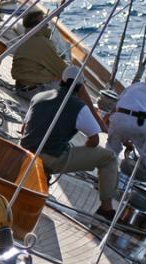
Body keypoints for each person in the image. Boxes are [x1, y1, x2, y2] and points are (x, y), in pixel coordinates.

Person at [20, 66, 119, 219]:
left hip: (25, 153)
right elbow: (94, 140)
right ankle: (106, 209)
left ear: (61, 80)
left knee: (47, 145)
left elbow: (24, 128)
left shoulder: (39, 96)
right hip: (52, 158)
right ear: (81, 87)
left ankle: (41, 176)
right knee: (109, 158)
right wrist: (79, 153)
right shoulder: (79, 107)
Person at [11, 8, 70, 100]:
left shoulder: (25, 38)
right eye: (44, 19)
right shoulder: (41, 41)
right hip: (34, 92)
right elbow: (64, 71)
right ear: (39, 22)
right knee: (73, 81)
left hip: (21, 88)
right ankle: (91, 112)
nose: (47, 23)